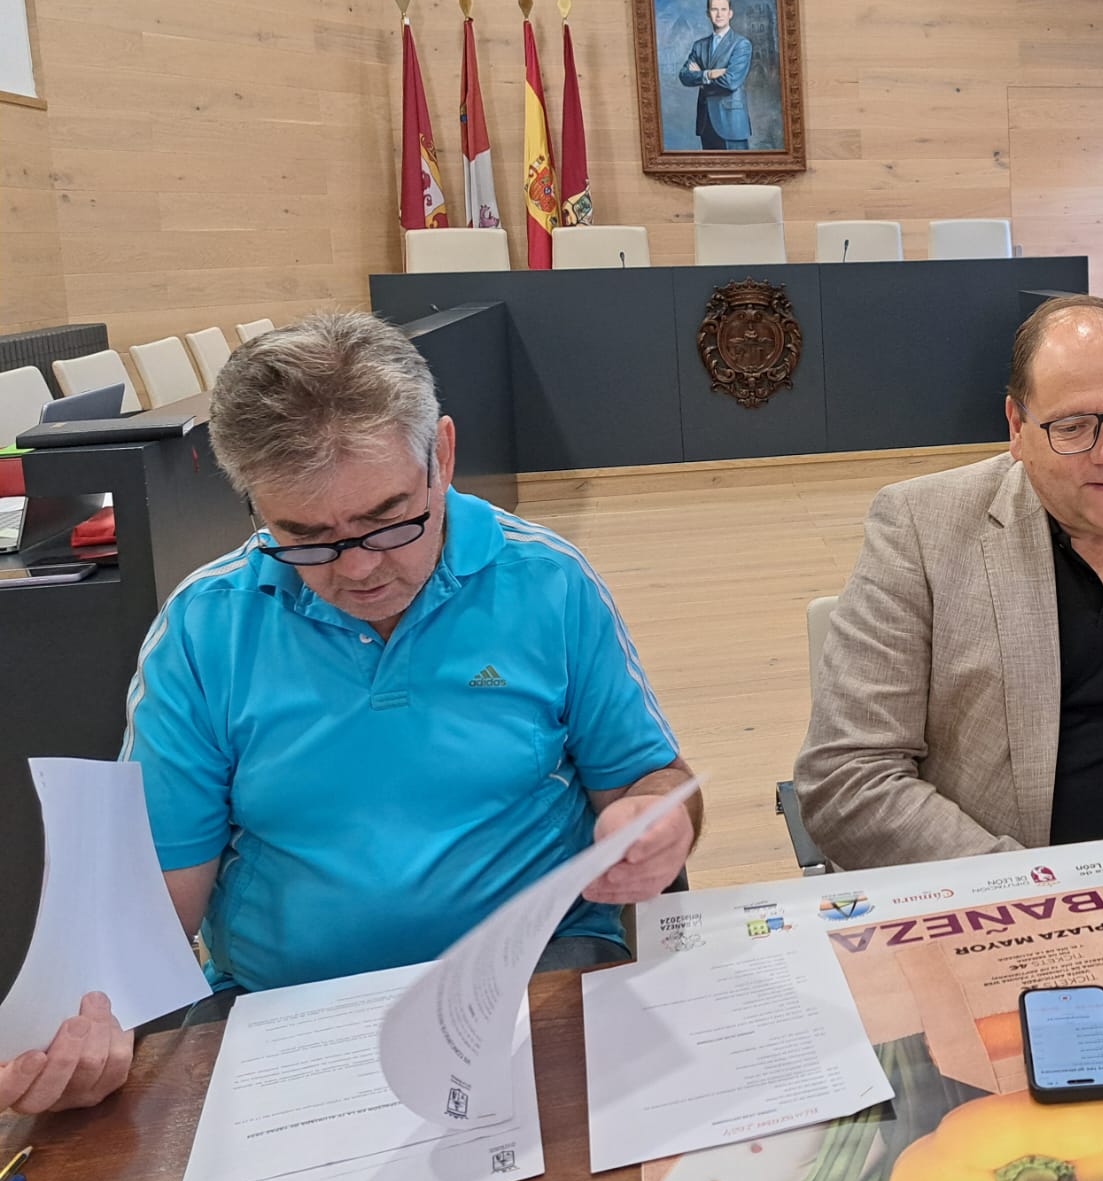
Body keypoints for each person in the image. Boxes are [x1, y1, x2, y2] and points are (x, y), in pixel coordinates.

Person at [0, 312, 699, 1113]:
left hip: (534, 972)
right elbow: (156, 898)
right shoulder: (206, 629)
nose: (359, 569)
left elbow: (646, 777)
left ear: (441, 454)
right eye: (304, 538)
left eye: (387, 520)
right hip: (287, 1006)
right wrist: (96, 1014)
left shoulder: (548, 581)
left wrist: (655, 819)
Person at [795, 294, 1103, 869]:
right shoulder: (920, 530)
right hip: (1001, 900)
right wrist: (1029, 885)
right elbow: (847, 778)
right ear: (1017, 428)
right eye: (1074, 427)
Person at [677, 0, 753, 150]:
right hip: (706, 122)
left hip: (732, 123)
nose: (719, 14)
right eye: (714, 9)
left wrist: (701, 80)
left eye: (723, 9)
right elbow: (684, 76)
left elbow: (731, 82)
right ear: (708, 14)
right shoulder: (699, 46)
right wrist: (709, 74)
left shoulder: (741, 44)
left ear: (730, 13)